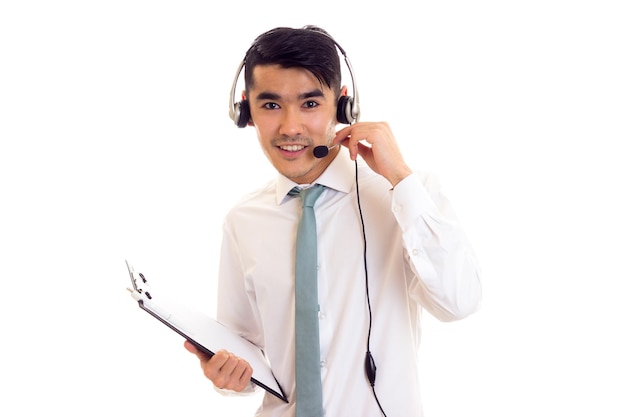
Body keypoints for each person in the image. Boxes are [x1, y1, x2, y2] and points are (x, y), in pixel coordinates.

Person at [184, 25, 482, 417]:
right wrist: (227, 375)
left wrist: (401, 180)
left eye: (310, 104)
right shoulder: (243, 220)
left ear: (344, 106)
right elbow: (245, 352)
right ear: (246, 111)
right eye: (271, 105)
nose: (290, 127)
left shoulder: (406, 196)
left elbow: (459, 303)